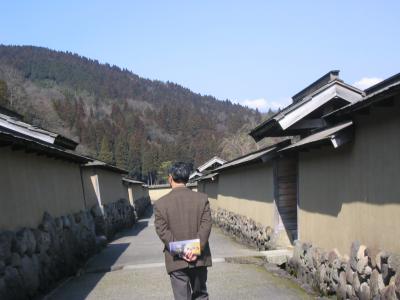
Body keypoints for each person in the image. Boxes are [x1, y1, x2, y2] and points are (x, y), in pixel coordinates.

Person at [154, 162, 212, 300]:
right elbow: (206, 226)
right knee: (201, 296)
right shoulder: (202, 199)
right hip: (198, 258)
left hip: (176, 260)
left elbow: (162, 231)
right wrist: (194, 249)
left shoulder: (161, 204)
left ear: (170, 178)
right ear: (187, 178)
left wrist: (182, 251)